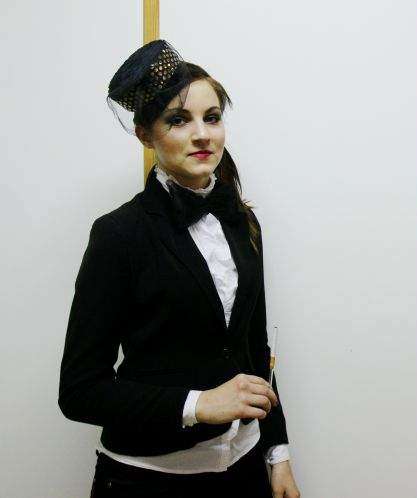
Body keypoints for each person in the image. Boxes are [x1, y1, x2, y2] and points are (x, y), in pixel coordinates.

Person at [59, 40, 301, 498]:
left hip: (245, 467)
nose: (202, 134)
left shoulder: (243, 221)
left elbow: (255, 350)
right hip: (147, 478)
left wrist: (278, 453)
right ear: (144, 135)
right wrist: (198, 404)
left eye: (212, 117)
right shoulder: (117, 234)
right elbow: (79, 391)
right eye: (178, 120)